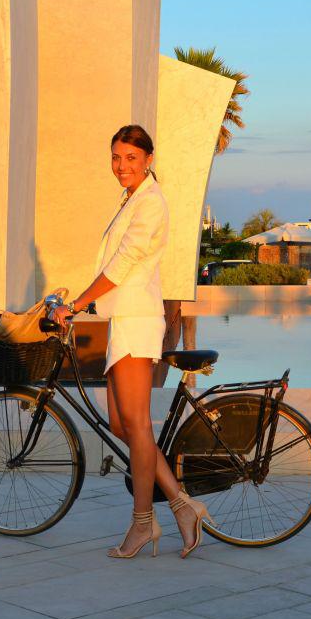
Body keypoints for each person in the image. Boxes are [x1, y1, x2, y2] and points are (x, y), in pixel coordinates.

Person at [52, 124, 212, 559]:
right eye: (116, 157)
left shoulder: (150, 203)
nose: (121, 166)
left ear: (148, 161)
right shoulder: (132, 199)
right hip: (123, 320)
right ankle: (182, 505)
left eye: (131, 158)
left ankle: (143, 523)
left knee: (137, 426)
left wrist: (77, 304)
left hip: (137, 322)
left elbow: (123, 264)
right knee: (123, 426)